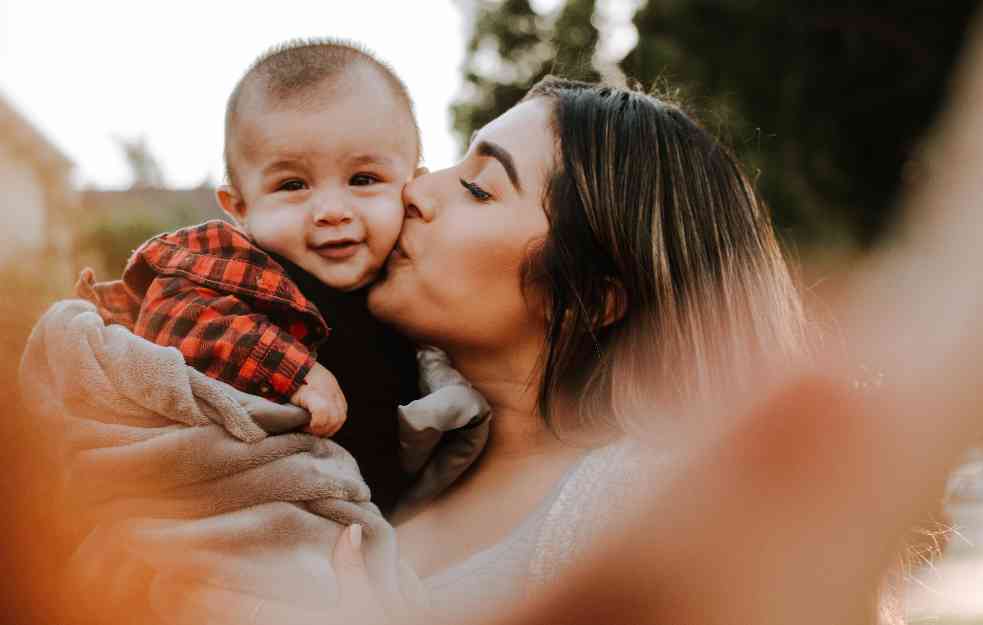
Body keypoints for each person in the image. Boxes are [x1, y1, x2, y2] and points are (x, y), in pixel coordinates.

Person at [26, 69, 814, 625]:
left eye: (477, 186)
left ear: (594, 293)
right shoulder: (416, 433)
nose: (415, 191)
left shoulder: (638, 500)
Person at [74, 39, 477, 515]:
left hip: (372, 523)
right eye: (292, 185)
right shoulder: (240, 264)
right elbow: (173, 316)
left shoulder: (410, 279)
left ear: (412, 184)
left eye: (364, 179)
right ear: (239, 207)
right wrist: (291, 370)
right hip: (246, 511)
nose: (331, 211)